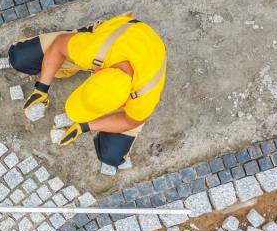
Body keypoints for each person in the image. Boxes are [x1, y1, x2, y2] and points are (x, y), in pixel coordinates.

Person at [8, 13, 166, 174]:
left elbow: (131, 121)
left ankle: (71, 60)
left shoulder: (144, 96)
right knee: (19, 57)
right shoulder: (94, 50)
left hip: (150, 54)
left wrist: (84, 126)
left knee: (112, 156)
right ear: (96, 72)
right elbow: (59, 45)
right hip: (121, 34)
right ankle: (79, 41)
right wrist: (41, 88)